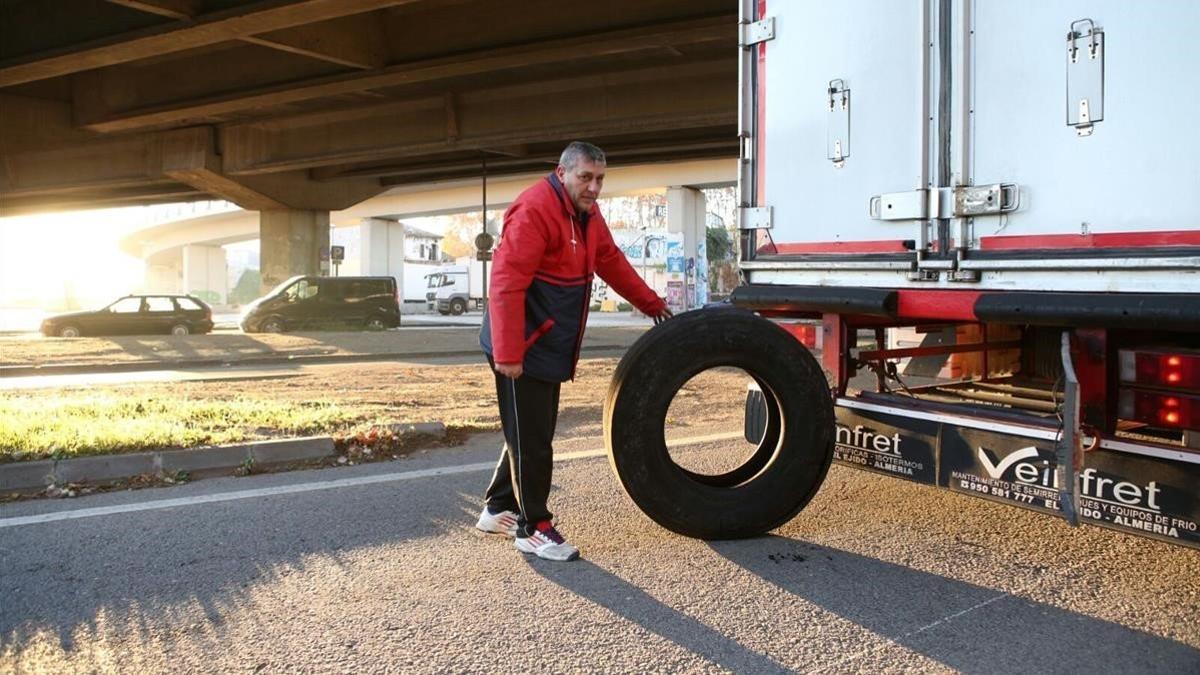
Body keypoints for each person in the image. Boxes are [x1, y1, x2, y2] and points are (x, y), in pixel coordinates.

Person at [476, 141, 673, 561]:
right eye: (586, 177)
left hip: (548, 343)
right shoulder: (534, 210)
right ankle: (533, 528)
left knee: (530, 431)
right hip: (521, 347)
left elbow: (610, 259)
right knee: (533, 439)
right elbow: (506, 284)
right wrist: (509, 353)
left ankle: (497, 507)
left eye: (600, 178)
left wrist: (651, 303)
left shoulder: (587, 214)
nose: (594, 187)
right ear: (562, 172)